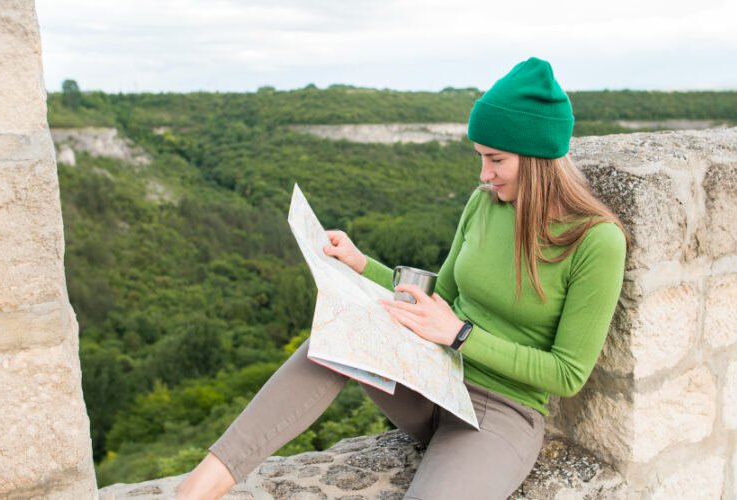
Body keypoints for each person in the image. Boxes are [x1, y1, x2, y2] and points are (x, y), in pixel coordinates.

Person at [176, 56, 630, 499]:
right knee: (336, 336)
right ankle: (198, 489)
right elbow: (443, 296)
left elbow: (567, 373)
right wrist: (361, 265)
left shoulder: (597, 241)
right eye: (480, 158)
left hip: (499, 414)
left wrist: (461, 334)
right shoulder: (484, 205)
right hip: (433, 379)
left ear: (537, 158)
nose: (484, 175)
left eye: (496, 160)